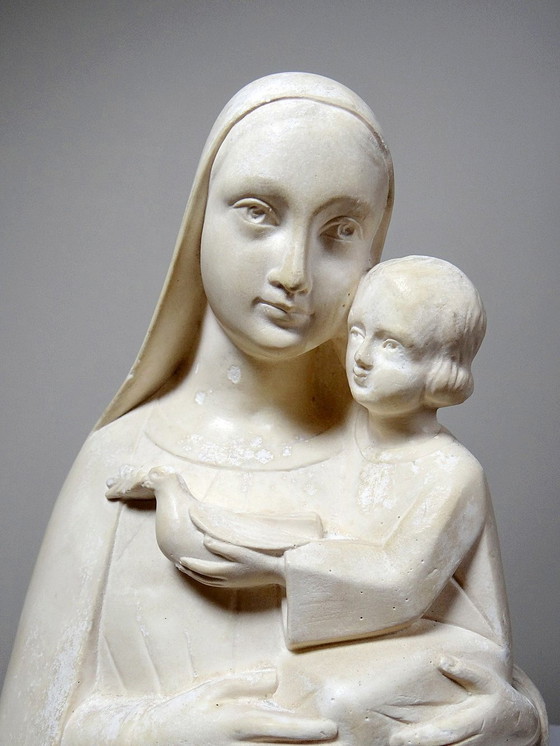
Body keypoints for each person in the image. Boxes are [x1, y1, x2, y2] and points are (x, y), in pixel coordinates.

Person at [0, 74, 545, 746]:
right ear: (200, 220)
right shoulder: (120, 462)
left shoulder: (413, 464)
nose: (294, 271)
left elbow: (482, 673)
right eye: (259, 212)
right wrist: (165, 732)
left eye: (342, 230)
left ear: (375, 250)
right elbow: (29, 727)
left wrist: (515, 720)